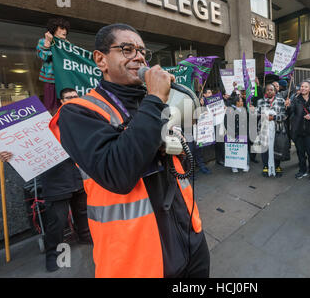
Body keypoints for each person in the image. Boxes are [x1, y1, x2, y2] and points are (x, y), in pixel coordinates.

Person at [49, 23, 209, 278]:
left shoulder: (153, 103)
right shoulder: (76, 112)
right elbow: (117, 173)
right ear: (101, 59)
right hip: (138, 261)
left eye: (142, 51)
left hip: (190, 238)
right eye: (127, 49)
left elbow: (176, 150)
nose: (139, 56)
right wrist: (155, 98)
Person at [0, 88, 92, 273]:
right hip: (55, 181)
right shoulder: (45, 123)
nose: (72, 100)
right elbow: (18, 145)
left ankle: (84, 236)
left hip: (78, 177)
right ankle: (52, 255)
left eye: (75, 97)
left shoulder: (82, 118)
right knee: (56, 221)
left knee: (82, 212)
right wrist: (5, 152)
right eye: (68, 98)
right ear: (61, 101)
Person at [289, 80, 310, 183]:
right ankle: (302, 170)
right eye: (302, 86)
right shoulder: (295, 98)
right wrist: (288, 106)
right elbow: (290, 112)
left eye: (305, 87)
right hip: (298, 131)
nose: (303, 88)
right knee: (300, 153)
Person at [37, 17, 70, 113]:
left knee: (64, 105)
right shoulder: (43, 41)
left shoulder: (67, 44)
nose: (64, 31)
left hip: (64, 80)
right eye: (62, 28)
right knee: (51, 106)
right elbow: (43, 57)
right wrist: (48, 43)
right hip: (51, 80)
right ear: (54, 29)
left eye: (65, 29)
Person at [256, 83, 288, 177]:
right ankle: (266, 166)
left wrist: (273, 117)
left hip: (277, 129)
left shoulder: (281, 100)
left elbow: (284, 115)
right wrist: (258, 113)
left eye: (272, 90)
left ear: (275, 91)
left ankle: (277, 166)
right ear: (265, 91)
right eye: (268, 90)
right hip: (264, 129)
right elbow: (257, 114)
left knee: (277, 147)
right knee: (265, 148)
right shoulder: (260, 101)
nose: (269, 91)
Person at [225, 93, 250, 173]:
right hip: (232, 133)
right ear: (236, 102)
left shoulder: (244, 109)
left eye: (242, 101)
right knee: (233, 150)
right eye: (240, 101)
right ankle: (234, 166)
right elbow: (227, 122)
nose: (242, 102)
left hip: (242, 133)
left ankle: (245, 164)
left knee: (243, 149)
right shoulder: (230, 110)